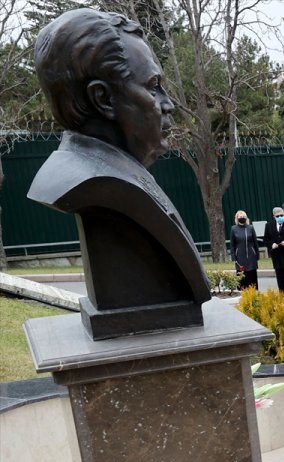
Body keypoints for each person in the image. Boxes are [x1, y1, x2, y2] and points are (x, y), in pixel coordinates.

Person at [29, 8, 211, 338]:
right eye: (153, 86)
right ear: (103, 99)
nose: (167, 103)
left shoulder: (113, 173)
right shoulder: (96, 182)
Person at [230, 210, 259, 289]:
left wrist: (257, 255)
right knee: (241, 279)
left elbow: (255, 242)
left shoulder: (250, 228)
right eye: (240, 216)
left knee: (252, 278)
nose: (242, 218)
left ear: (246, 218)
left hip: (251, 257)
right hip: (240, 257)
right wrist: (233, 257)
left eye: (243, 216)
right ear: (237, 218)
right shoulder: (233, 228)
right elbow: (232, 244)